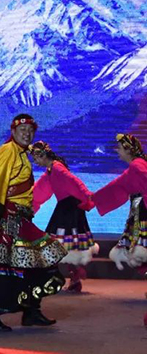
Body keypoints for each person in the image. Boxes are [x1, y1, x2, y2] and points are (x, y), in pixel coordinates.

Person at [0, 114, 67, 332]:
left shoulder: (22, 153)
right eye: (22, 130)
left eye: (30, 131)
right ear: (13, 131)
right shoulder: (7, 150)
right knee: (8, 267)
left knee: (36, 263)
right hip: (10, 220)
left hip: (22, 218)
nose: (27, 134)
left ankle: (31, 311)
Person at [93, 133, 147, 327]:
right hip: (139, 213)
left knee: (139, 253)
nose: (117, 152)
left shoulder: (138, 166)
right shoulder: (137, 165)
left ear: (128, 150)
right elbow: (118, 185)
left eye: (119, 148)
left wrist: (92, 199)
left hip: (143, 215)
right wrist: (93, 199)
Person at [30, 141, 98, 293]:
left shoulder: (57, 168)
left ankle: (70, 277)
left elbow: (74, 181)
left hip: (69, 209)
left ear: (43, 155)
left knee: (59, 244)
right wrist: (27, 203)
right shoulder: (51, 169)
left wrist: (87, 196)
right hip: (66, 207)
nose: (35, 162)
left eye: (36, 158)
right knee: (63, 244)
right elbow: (40, 189)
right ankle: (73, 278)